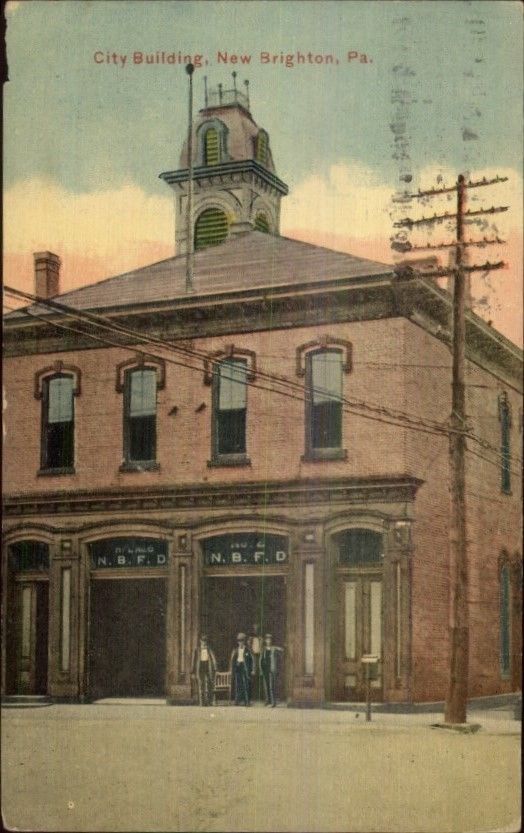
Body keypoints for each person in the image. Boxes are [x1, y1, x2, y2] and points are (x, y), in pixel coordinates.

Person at [192, 634, 217, 706]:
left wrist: (215, 668)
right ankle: (201, 702)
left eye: (205, 641)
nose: (204, 642)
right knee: (201, 685)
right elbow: (194, 661)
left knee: (209, 684)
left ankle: (209, 702)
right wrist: (193, 672)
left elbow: (213, 659)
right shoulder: (197, 650)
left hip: (207, 667)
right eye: (203, 641)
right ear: (200, 641)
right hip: (200, 668)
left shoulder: (209, 649)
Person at [260, 633, 284, 707]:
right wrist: (261, 668)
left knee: (271, 686)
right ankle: (268, 701)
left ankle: (273, 702)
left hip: (271, 668)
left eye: (269, 639)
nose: (268, 641)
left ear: (271, 641)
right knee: (266, 686)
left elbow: (282, 651)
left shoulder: (274, 648)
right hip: (265, 669)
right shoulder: (263, 649)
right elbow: (261, 659)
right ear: (265, 641)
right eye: (267, 639)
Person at [230, 632, 253, 706]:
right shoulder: (235, 650)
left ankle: (247, 701)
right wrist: (233, 668)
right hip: (238, 667)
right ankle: (237, 700)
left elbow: (251, 660)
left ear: (244, 641)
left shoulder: (247, 650)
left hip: (245, 667)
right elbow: (233, 660)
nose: (240, 643)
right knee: (238, 685)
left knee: (246, 684)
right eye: (239, 641)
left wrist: (252, 669)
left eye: (242, 641)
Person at [248, 623, 263, 700]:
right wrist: (252, 653)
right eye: (255, 629)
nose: (256, 630)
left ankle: (260, 696)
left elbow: (262, 647)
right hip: (253, 657)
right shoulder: (251, 638)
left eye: (257, 629)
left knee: (260, 675)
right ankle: (252, 696)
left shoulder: (260, 638)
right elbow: (249, 647)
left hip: (259, 656)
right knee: (253, 676)